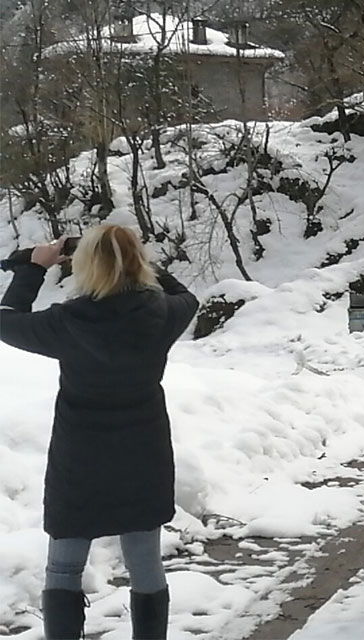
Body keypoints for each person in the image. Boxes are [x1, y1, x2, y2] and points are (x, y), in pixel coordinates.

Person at [0, 226, 199, 640]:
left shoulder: (67, 322)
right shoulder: (161, 313)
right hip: (144, 455)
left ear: (85, 264)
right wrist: (136, 262)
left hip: (80, 458)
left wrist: (32, 269)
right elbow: (189, 297)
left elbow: (6, 321)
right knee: (145, 562)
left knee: (64, 565)